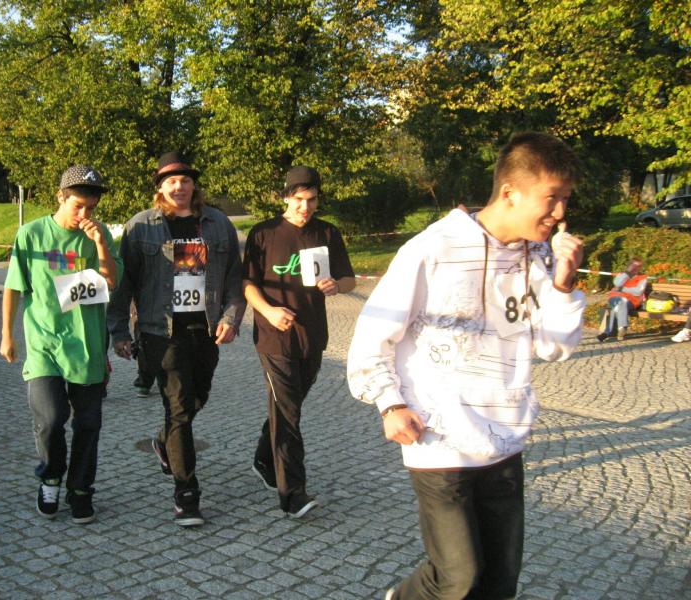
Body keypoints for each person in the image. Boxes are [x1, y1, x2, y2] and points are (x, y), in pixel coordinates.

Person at [347, 132, 586, 600]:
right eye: (552, 198)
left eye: (565, 199)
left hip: (505, 437)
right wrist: (390, 404)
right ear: (510, 192)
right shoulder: (432, 248)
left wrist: (563, 286)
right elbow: (372, 334)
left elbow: (553, 348)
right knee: (456, 577)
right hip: (439, 439)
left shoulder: (539, 256)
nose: (560, 213)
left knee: (499, 583)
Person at [107, 151, 244, 527]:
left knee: (198, 398)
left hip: (205, 329)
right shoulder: (141, 226)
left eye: (185, 180)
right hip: (160, 332)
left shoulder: (217, 223)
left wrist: (232, 317)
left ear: (194, 185)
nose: (179, 186)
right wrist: (119, 331)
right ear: (160, 187)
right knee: (179, 410)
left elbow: (234, 277)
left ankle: (163, 441)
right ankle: (187, 493)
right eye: (171, 181)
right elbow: (124, 283)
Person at [0, 165, 121, 524]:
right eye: (77, 206)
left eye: (91, 207)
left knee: (88, 423)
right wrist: (7, 334)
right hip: (45, 343)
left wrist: (100, 244)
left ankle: (80, 489)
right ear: (60, 197)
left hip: (87, 344)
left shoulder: (99, 234)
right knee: (51, 419)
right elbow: (13, 286)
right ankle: (51, 477)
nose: (84, 214)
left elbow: (111, 282)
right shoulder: (31, 234)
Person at [243, 166, 355, 518]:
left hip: (313, 336)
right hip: (274, 338)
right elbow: (248, 284)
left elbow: (349, 279)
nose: (305, 207)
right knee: (289, 413)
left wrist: (337, 285)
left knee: (287, 407)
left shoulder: (327, 232)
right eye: (299, 200)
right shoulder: (264, 233)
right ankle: (292, 494)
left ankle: (264, 458)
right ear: (286, 197)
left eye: (312, 200)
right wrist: (269, 312)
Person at [596, 258, 647, 342]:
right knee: (620, 302)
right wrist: (627, 273)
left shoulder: (642, 278)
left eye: (638, 266)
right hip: (614, 298)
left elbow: (638, 292)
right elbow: (617, 283)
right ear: (629, 265)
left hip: (631, 301)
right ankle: (622, 327)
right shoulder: (622, 275)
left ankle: (607, 332)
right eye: (634, 265)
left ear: (641, 267)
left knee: (617, 307)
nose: (635, 268)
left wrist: (622, 289)